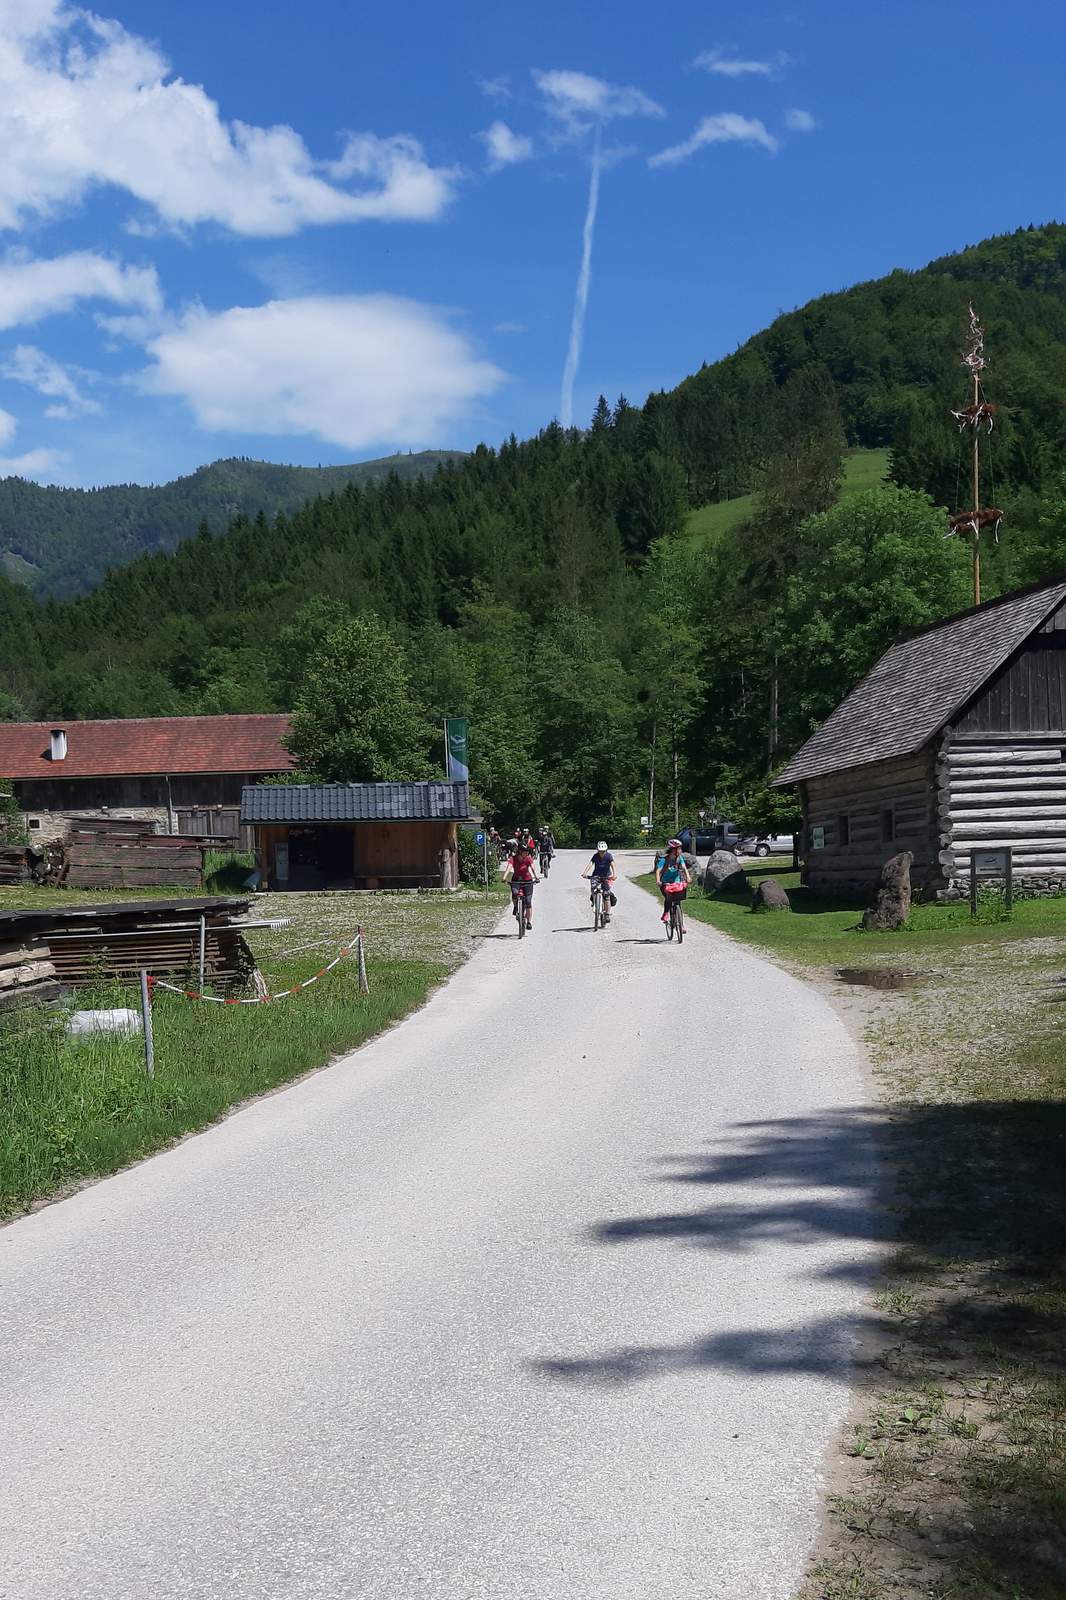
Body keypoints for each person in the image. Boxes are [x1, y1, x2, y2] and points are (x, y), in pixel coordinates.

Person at [656, 839, 691, 922]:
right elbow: (658, 871)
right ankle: (666, 913)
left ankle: (681, 924)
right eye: (679, 849)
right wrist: (658, 880)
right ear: (673, 850)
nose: (680, 851)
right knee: (669, 898)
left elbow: (684, 868)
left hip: (676, 882)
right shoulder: (664, 860)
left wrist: (688, 877)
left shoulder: (679, 858)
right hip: (665, 883)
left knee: (678, 901)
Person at [508, 839, 540, 931]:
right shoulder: (514, 858)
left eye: (527, 852)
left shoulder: (528, 858)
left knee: (528, 901)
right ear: (520, 852)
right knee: (515, 894)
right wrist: (504, 877)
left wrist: (536, 877)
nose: (526, 853)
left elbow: (532, 868)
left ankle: (529, 922)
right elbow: (509, 867)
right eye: (525, 852)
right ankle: (515, 907)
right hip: (516, 880)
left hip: (527, 881)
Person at [582, 841, 617, 913]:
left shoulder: (609, 856)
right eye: (600, 851)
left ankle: (607, 913)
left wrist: (614, 874)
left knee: (606, 895)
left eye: (603, 851)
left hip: (606, 877)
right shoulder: (595, 856)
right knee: (593, 888)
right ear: (597, 850)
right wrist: (585, 873)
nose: (602, 853)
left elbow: (612, 864)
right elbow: (591, 863)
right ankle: (594, 900)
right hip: (596, 876)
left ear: (606, 850)